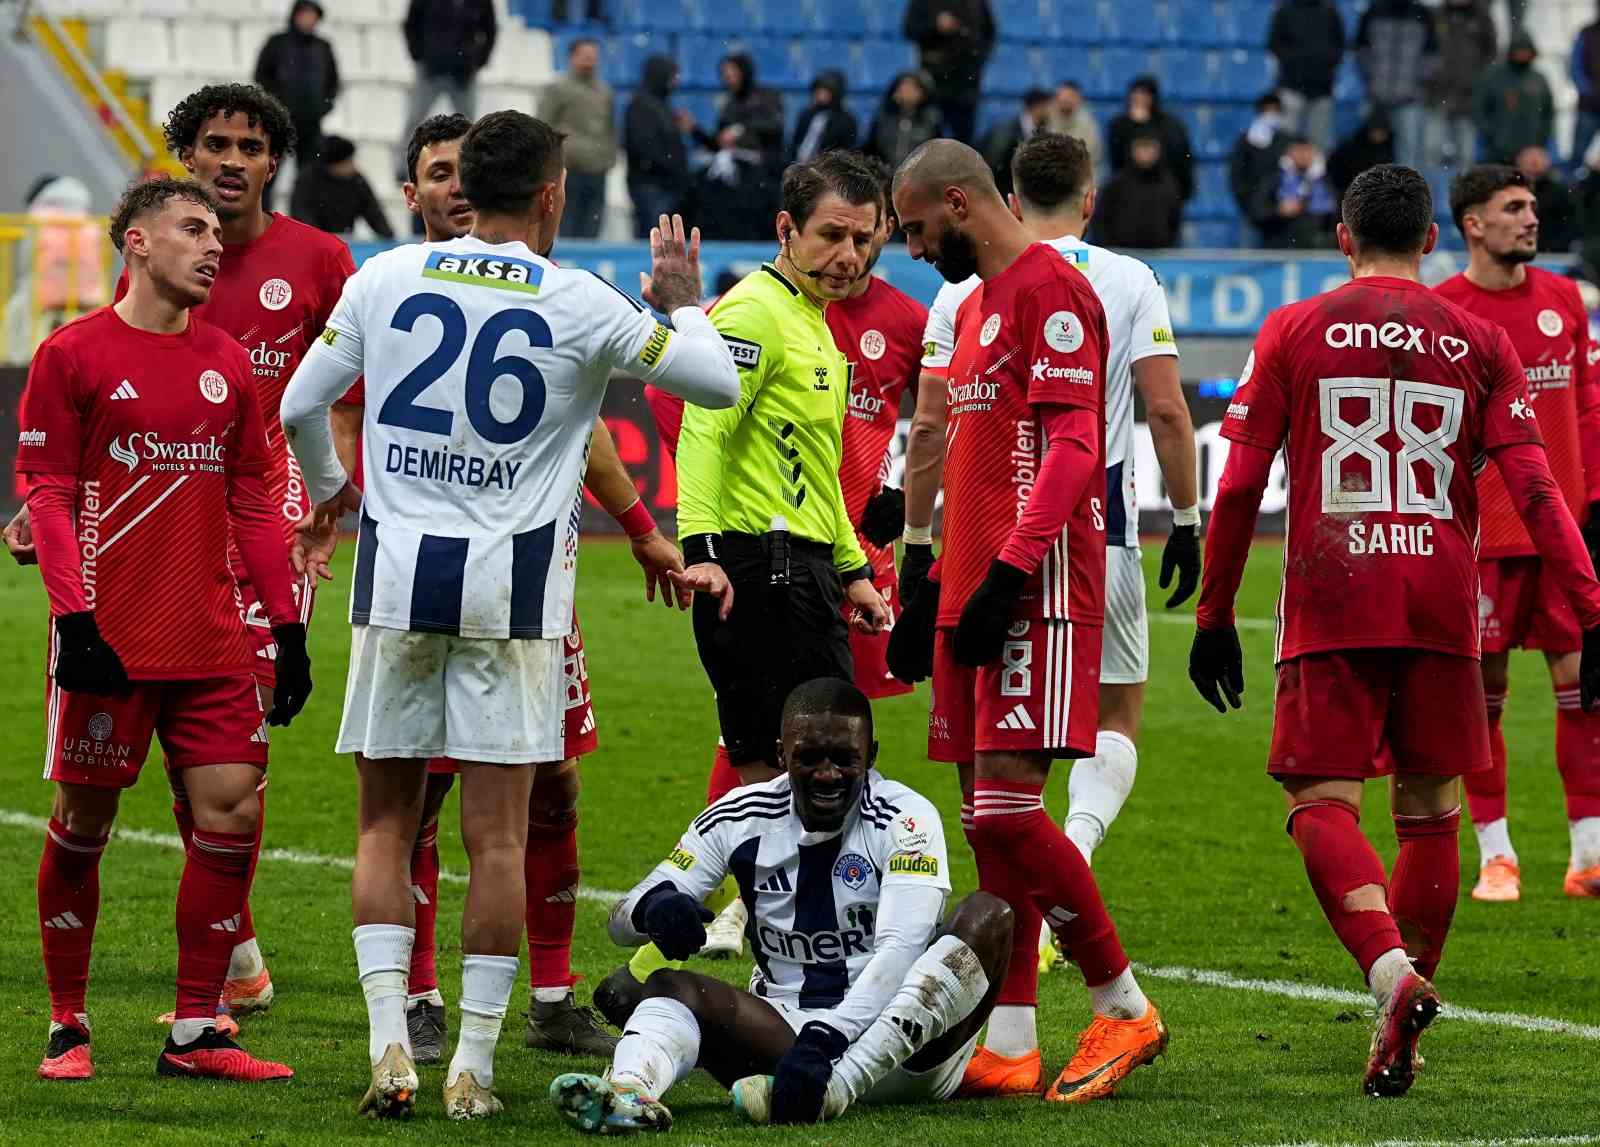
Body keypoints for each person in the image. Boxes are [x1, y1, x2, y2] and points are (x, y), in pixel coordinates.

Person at [278, 110, 740, 1120]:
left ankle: (390, 1045)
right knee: (498, 838)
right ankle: (472, 1070)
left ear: (458, 187)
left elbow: (298, 406)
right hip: (513, 595)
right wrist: (684, 303)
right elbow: (714, 382)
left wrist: (328, 491)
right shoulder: (579, 298)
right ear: (549, 196)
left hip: (395, 585)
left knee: (385, 828)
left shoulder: (383, 278)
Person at [1188, 163, 1600, 1096]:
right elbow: (1536, 488)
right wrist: (1593, 603)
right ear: (1430, 239)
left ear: (1342, 238)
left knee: (1320, 800)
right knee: (1430, 810)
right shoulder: (1478, 337)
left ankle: (1389, 973)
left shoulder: (1294, 328)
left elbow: (1242, 485)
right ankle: (1406, 1012)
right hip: (1443, 597)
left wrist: (1216, 614)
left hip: (1336, 591)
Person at [890, 138, 1168, 1103]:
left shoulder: (1048, 290)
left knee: (1009, 810)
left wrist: (1009, 573)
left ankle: (1124, 1004)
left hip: (1036, 587)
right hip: (974, 584)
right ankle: (1010, 1039)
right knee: (986, 822)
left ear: (961, 203)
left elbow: (1076, 445)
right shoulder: (972, 309)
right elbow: (965, 448)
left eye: (920, 230)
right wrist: (924, 577)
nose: (917, 251)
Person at [23, 177, 312, 1084]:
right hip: (109, 634)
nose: (213, 243)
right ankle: (68, 1023)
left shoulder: (228, 361)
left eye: (217, 231)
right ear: (136, 243)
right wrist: (74, 618)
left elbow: (257, 502)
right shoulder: (71, 355)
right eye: (192, 228)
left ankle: (197, 1029)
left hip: (213, 638)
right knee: (83, 821)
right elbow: (50, 496)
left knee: (232, 811)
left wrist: (289, 626)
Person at [624, 154, 929, 975]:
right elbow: (703, 429)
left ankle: (706, 948)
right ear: (785, 229)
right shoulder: (756, 314)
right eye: (832, 235)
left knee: (802, 778)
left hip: (806, 571)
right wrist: (705, 553)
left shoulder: (812, 323)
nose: (850, 256)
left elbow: (818, 473)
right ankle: (763, 954)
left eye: (864, 240)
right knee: (801, 777)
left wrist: (854, 571)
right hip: (760, 572)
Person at [114, 81, 352, 1032]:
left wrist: (329, 494)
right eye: (214, 143)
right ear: (188, 152)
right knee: (184, 713)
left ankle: (226, 944)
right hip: (173, 511)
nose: (231, 160)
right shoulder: (159, 250)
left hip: (271, 508)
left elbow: (352, 383)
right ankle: (236, 938)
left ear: (273, 161)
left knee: (240, 721)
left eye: (251, 146)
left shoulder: (321, 258)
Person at [548, 678, 1014, 1132]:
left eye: (844, 759)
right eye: (809, 759)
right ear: (780, 755)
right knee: (668, 986)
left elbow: (902, 949)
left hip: (907, 1049)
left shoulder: (905, 818)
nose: (828, 775)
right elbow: (621, 920)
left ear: (870, 756)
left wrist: (828, 1037)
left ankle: (839, 1088)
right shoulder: (739, 816)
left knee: (989, 917)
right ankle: (629, 1094)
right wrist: (654, 909)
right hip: (785, 1044)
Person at [1435, 164, 1600, 901]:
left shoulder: (1565, 299)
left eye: (1532, 206)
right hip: (1481, 538)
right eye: (1514, 207)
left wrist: (1593, 508)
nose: (1532, 218)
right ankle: (1496, 855)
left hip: (1563, 531)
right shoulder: (1443, 309)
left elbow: (1590, 410)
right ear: (1473, 224)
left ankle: (1589, 854)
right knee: (1483, 695)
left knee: (1584, 690)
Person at [253, 0, 338, 208]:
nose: (308, 20)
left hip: (310, 123)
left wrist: (323, 107)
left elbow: (333, 81)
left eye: (313, 16)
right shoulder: (277, 43)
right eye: (304, 14)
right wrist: (276, 104)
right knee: (268, 174)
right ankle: (262, 220)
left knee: (308, 178)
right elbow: (262, 75)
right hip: (279, 122)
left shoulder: (323, 47)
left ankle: (303, 225)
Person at [693, 54, 786, 241]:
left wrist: (740, 131)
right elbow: (718, 142)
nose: (729, 79)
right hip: (734, 181)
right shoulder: (729, 104)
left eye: (733, 73)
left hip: (763, 177)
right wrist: (694, 130)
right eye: (725, 75)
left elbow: (774, 126)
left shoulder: (766, 97)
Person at [540, 38, 618, 239]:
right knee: (568, 226)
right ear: (572, 57)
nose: (589, 60)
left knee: (593, 227)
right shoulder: (558, 89)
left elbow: (610, 128)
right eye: (584, 56)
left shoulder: (605, 91)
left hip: (598, 170)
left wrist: (609, 158)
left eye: (593, 57)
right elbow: (542, 126)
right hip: (569, 169)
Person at [1353, 0, 1438, 170]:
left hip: (1410, 98)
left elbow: (1432, 54)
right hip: (1376, 96)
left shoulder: (1423, 14)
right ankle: (1371, 194)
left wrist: (1417, 80)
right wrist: (1372, 76)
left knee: (1408, 155)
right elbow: (1360, 49)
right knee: (1369, 153)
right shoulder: (1373, 12)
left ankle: (1406, 195)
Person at [902, 0, 994, 144]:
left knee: (965, 142)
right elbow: (909, 29)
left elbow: (989, 32)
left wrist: (978, 59)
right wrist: (935, 25)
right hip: (933, 83)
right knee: (928, 139)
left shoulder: (977, 3)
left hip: (966, 83)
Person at [625, 57, 693, 240]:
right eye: (672, 76)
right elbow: (645, 148)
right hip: (651, 185)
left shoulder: (661, 105)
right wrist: (673, 168)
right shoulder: (642, 106)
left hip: (663, 185)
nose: (675, 82)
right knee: (653, 237)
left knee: (662, 238)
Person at [1426, 0, 1496, 170]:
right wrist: (1432, 77)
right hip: (1438, 95)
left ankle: (1463, 195)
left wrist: (1478, 82)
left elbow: (1491, 53)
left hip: (1469, 98)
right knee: (1431, 152)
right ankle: (1430, 195)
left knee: (1466, 156)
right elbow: (1425, 51)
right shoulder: (1436, 16)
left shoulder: (1482, 18)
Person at [1267, 0, 1345, 152]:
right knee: (1285, 143)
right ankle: (1283, 176)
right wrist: (1296, 64)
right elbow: (1274, 45)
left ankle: (1317, 176)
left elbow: (1339, 45)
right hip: (1291, 87)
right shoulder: (1285, 10)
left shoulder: (1330, 12)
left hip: (1322, 88)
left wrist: (1326, 64)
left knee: (1320, 147)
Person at [403, 0, 496, 125]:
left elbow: (490, 29)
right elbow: (411, 23)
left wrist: (479, 60)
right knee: (414, 119)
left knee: (468, 125)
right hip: (431, 70)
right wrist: (418, 55)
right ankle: (406, 145)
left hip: (463, 73)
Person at [1107, 76, 1193, 204]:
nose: (1139, 99)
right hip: (1129, 195)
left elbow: (1181, 159)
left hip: (1162, 195)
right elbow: (1116, 158)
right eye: (1136, 94)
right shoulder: (1120, 125)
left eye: (1144, 94)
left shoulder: (1171, 126)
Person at [290, 135, 394, 238]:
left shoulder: (356, 180)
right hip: (314, 241)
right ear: (333, 165)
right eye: (348, 162)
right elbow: (301, 215)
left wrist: (389, 237)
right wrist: (319, 239)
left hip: (344, 240)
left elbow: (374, 213)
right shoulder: (307, 180)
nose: (352, 165)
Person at [1474, 33, 1554, 165]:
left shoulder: (1538, 79)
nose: (1522, 54)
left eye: (1525, 50)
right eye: (1519, 50)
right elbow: (1480, 108)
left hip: (1530, 149)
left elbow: (1548, 112)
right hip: (1498, 149)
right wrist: (1491, 133)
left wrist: (1541, 140)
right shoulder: (1494, 77)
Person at [1093, 132, 1183, 249]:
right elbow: (1101, 220)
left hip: (1160, 254)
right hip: (1123, 255)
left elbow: (1174, 220)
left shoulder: (1168, 184)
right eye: (1141, 147)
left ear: (1158, 150)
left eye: (1149, 147)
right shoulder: (1116, 184)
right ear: (1132, 150)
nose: (1145, 153)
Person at [1230, 92, 1292, 246]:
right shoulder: (1245, 142)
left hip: (1283, 214)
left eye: (1275, 111)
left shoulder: (1289, 140)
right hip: (1253, 212)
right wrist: (1249, 204)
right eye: (1267, 111)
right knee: (1250, 262)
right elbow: (1237, 176)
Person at [1260, 135, 1337, 249]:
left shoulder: (1328, 176)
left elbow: (1340, 209)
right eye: (1298, 151)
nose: (1303, 155)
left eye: (1306, 151)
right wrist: (1278, 209)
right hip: (1282, 242)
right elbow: (1258, 209)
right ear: (1289, 153)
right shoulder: (1275, 176)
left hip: (1319, 244)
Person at [978, 88, 1052, 199]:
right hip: (1001, 194)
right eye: (1048, 106)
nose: (1051, 111)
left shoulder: (1041, 130)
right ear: (1038, 107)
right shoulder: (1005, 131)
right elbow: (992, 166)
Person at [864, 72, 943, 172]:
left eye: (913, 88)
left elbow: (937, 154)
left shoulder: (932, 120)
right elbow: (872, 150)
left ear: (923, 93)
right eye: (903, 87)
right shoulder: (882, 119)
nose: (907, 91)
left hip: (918, 179)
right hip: (886, 177)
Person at [1516, 145, 1580, 251]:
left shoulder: (1561, 192)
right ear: (1519, 161)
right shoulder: (1508, 192)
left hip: (1553, 252)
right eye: (1529, 158)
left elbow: (1571, 225)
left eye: (1539, 157)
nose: (1534, 163)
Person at [1329, 109, 1395, 201]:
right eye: (1376, 131)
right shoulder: (1354, 146)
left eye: (1382, 132)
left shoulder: (1388, 146)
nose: (1379, 135)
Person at [792, 71, 859, 162]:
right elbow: (795, 143)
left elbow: (845, 153)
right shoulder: (806, 114)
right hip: (798, 166)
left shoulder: (846, 120)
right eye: (818, 89)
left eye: (825, 90)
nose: (819, 94)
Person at [1047, 81, 1103, 180]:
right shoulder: (1046, 119)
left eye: (1070, 96)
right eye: (1062, 95)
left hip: (1080, 175)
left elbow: (1089, 157)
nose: (1065, 99)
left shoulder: (1088, 124)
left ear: (1079, 99)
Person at [1572, 4, 1600, 170]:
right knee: (1578, 156)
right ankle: (1575, 192)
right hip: (1589, 107)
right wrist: (1589, 92)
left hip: (1589, 104)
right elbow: (1575, 68)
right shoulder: (1587, 33)